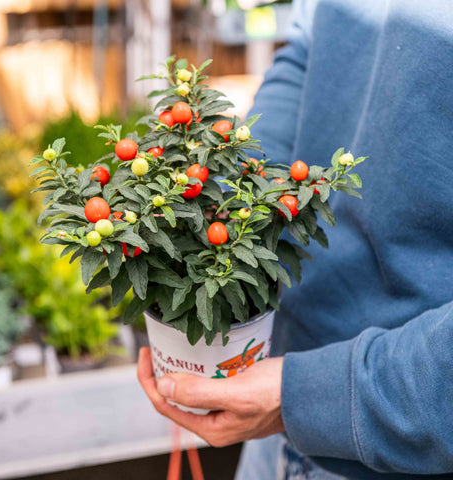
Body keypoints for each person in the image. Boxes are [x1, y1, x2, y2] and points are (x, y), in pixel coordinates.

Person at [138, 0, 453, 477]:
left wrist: (308, 397)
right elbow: (309, 49)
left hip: (396, 443)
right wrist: (223, 195)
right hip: (277, 398)